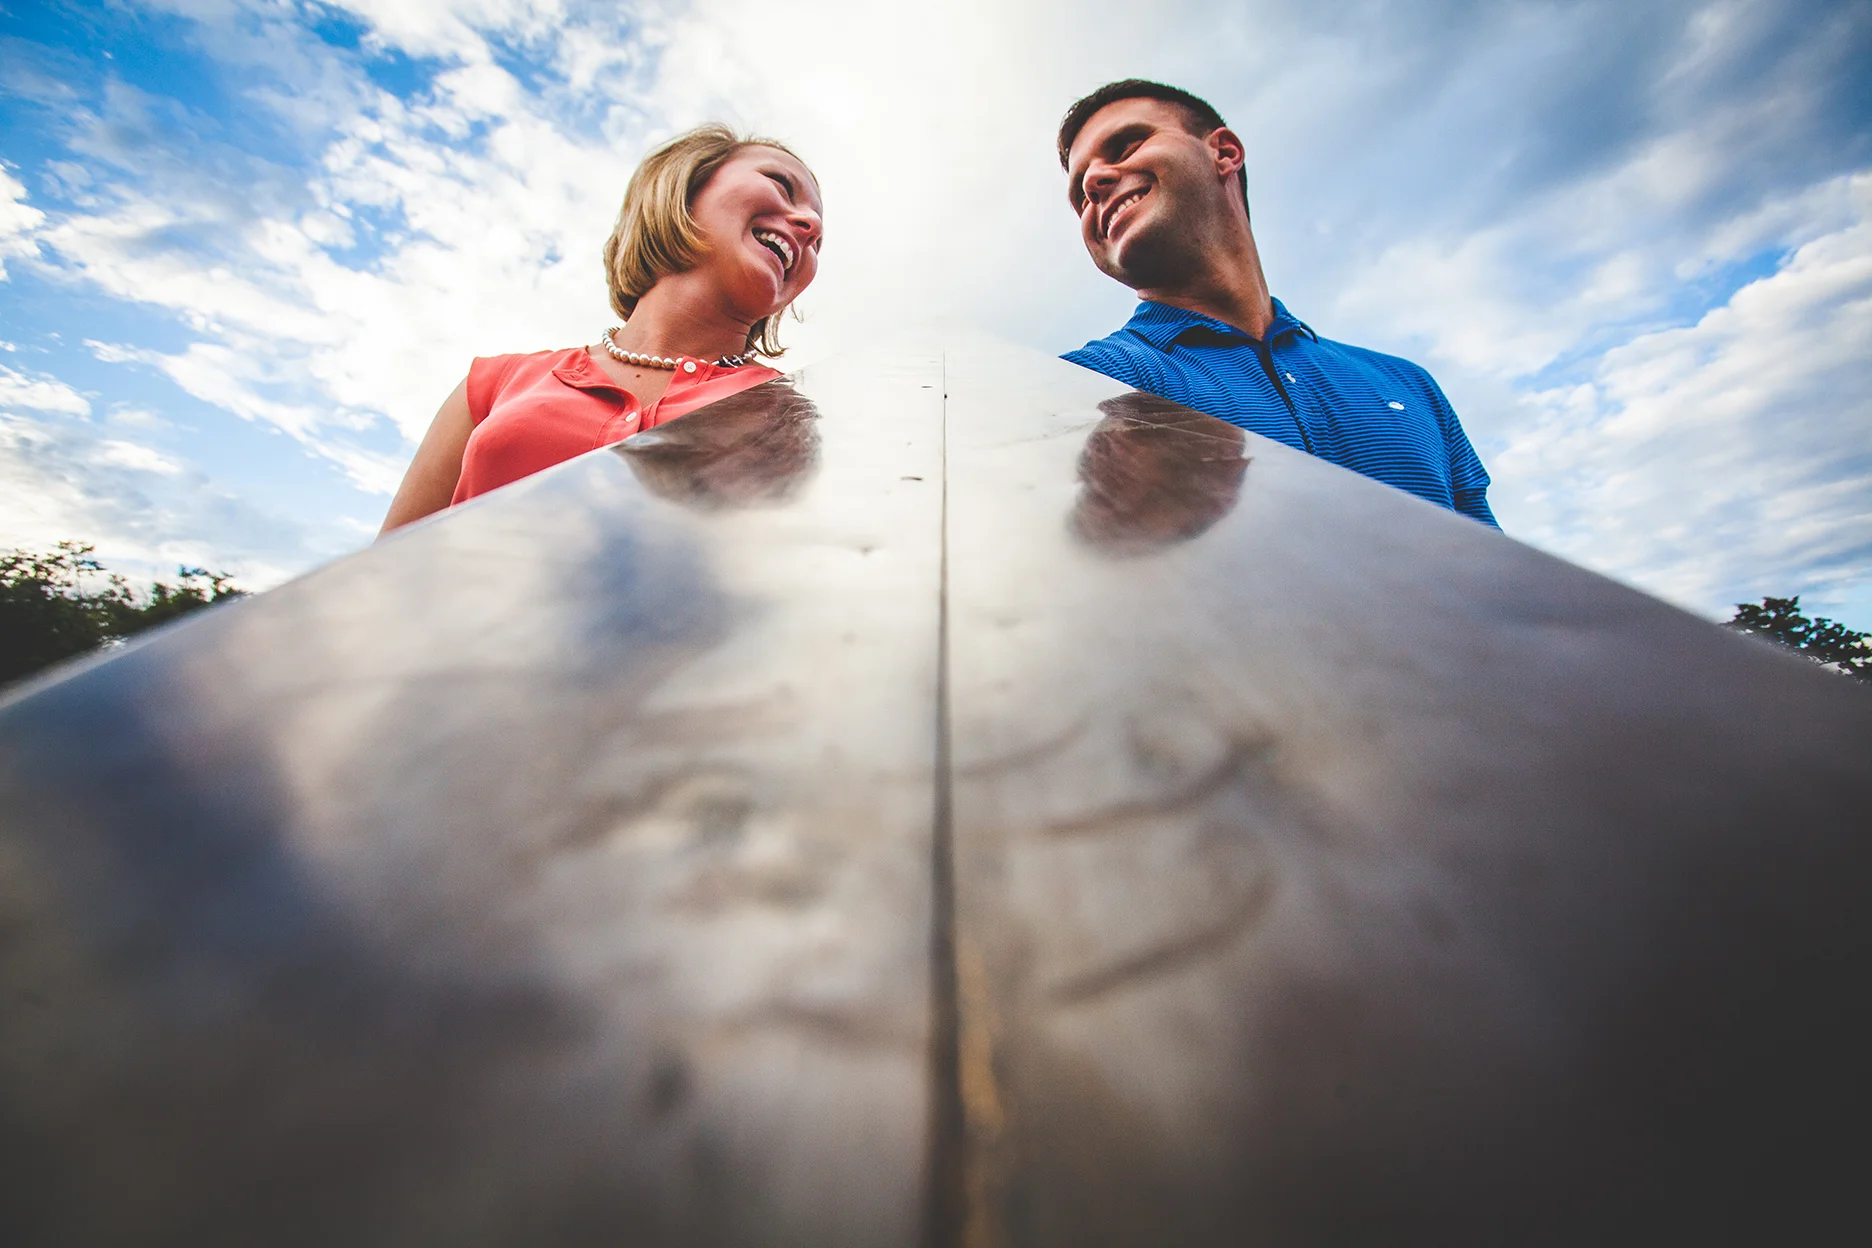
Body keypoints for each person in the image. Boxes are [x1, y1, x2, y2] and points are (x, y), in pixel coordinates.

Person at [1056, 80, 1498, 526]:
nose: (1092, 184)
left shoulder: (1411, 385)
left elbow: (1500, 578)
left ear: (1224, 153)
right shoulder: (1080, 384)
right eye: (1078, 195)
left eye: (1126, 145)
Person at [380, 124, 823, 534]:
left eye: (818, 242)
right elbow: (382, 576)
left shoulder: (794, 411)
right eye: (781, 185)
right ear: (685, 186)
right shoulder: (495, 383)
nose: (810, 226)